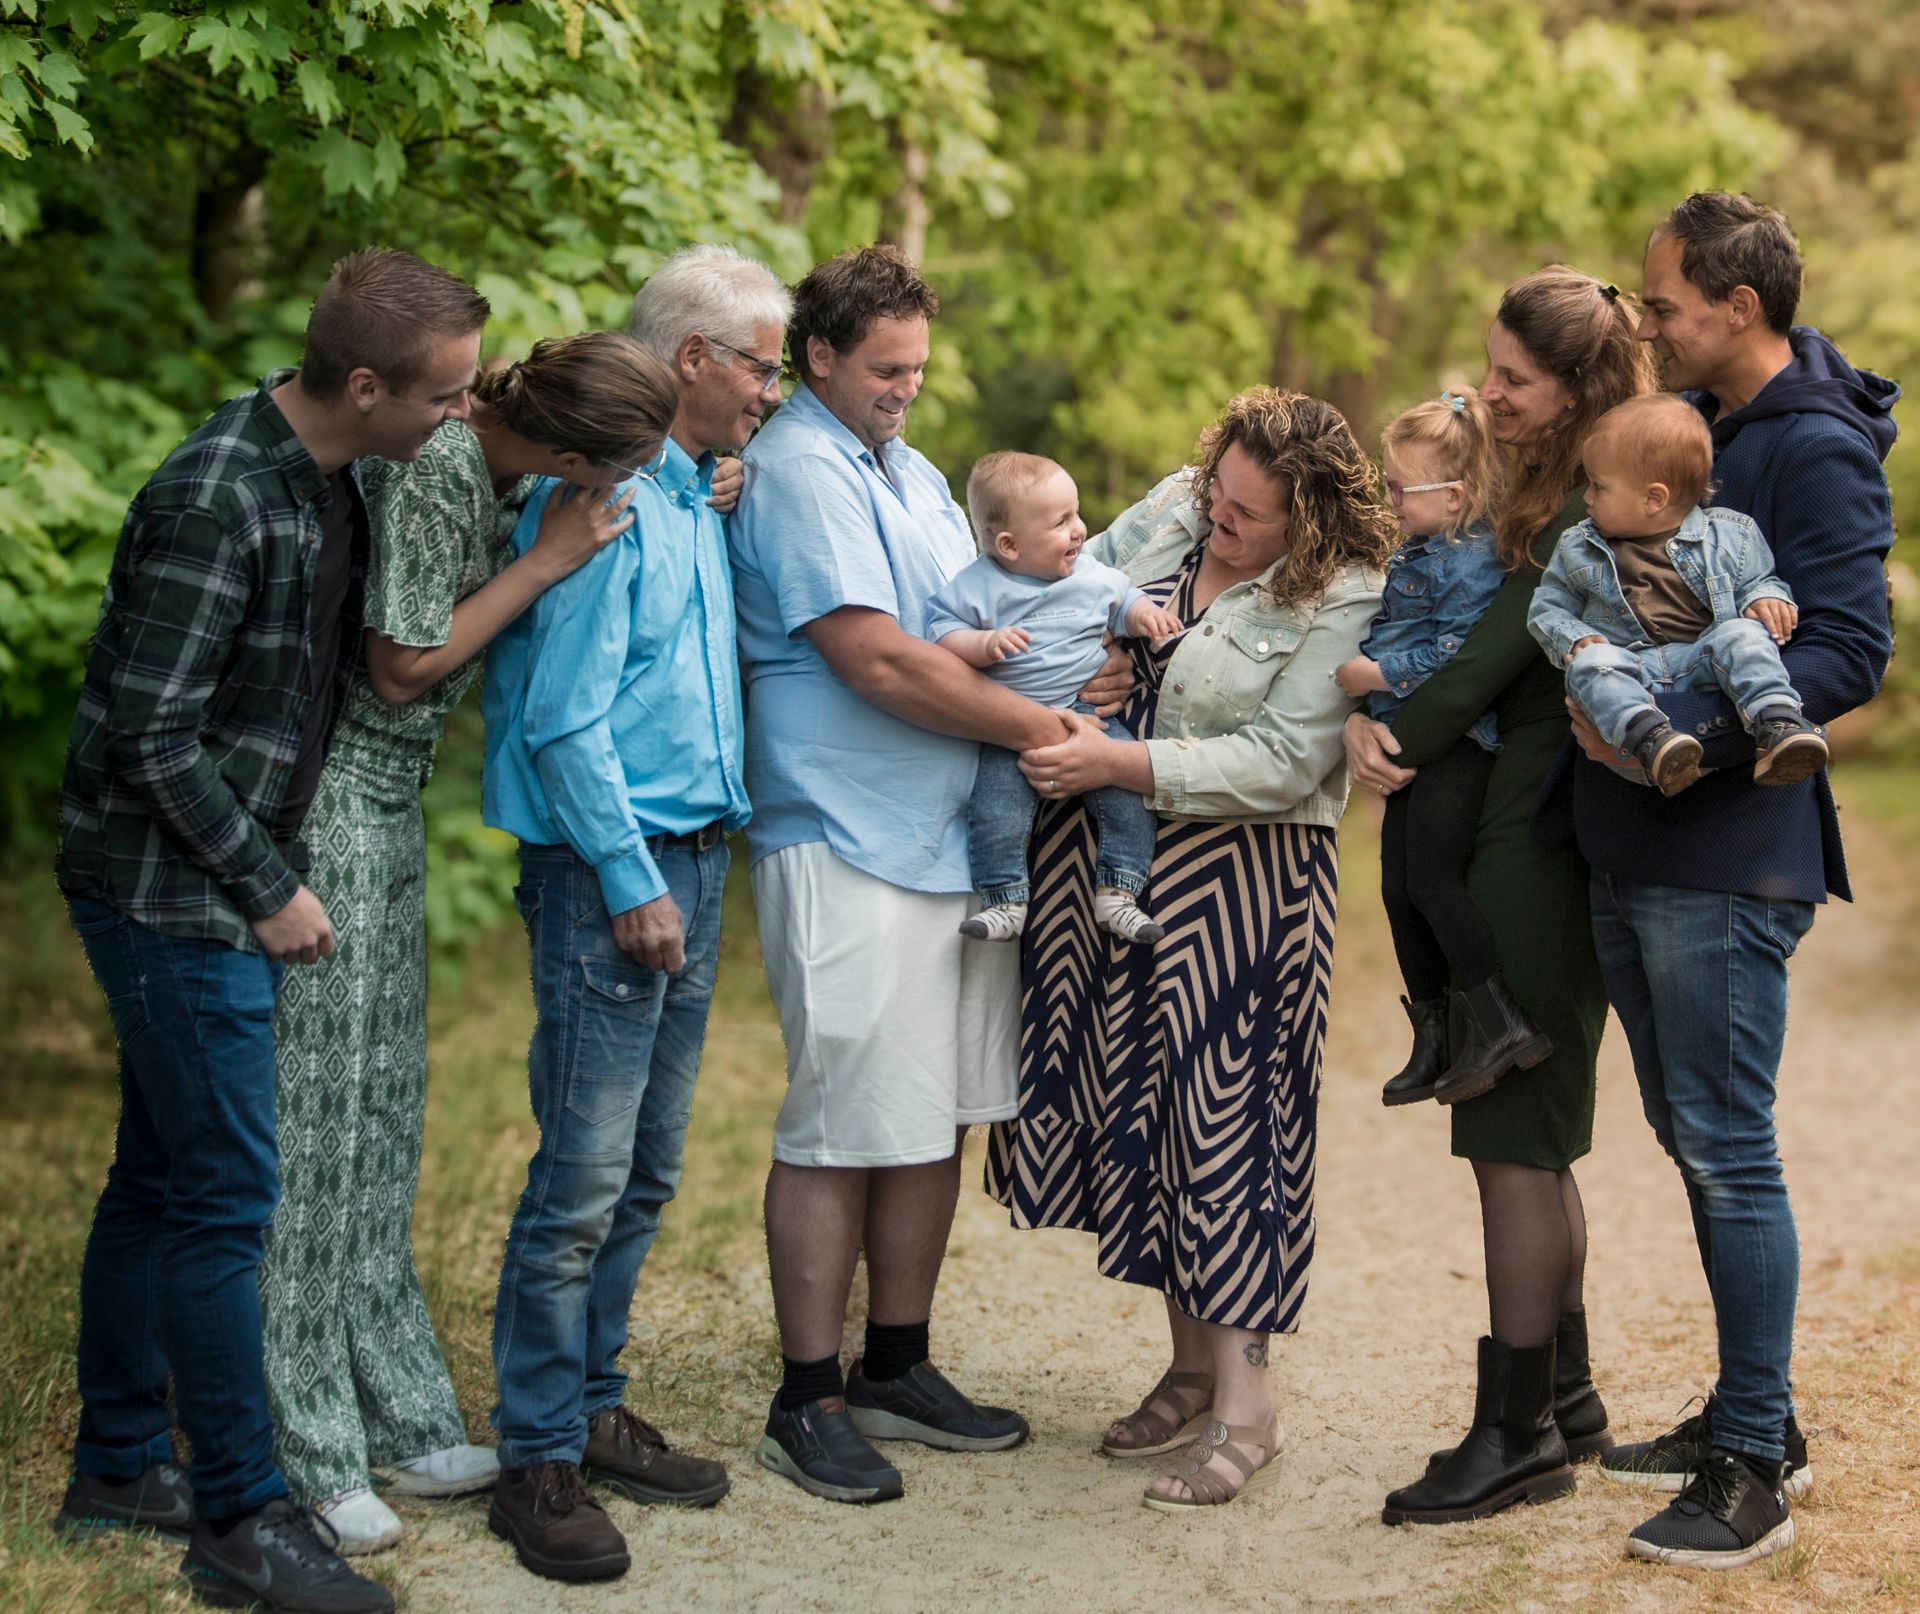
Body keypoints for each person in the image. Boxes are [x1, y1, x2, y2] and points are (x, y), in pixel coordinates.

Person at [53, 248, 491, 1614]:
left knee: (159, 1177)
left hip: (215, 874)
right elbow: (149, 734)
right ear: (363, 385)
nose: (456, 419)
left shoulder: (337, 473)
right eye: (444, 397)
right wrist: (269, 883)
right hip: (168, 890)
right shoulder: (216, 494)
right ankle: (243, 1512)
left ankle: (121, 1462)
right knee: (235, 1197)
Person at [259, 332, 682, 1555]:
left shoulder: (498, 464)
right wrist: (549, 560)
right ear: (563, 452)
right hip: (336, 795)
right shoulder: (444, 460)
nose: (625, 494)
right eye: (622, 470)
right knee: (322, 1125)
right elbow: (398, 669)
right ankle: (309, 1443)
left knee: (384, 1114)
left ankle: (393, 1400)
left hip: (390, 805)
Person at [730, 245, 1119, 1506]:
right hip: (842, 832)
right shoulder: (797, 469)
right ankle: (809, 1395)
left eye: (918, 369)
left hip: (947, 839)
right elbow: (878, 662)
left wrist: (1084, 682)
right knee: (842, 1120)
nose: (906, 388)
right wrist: (1050, 738)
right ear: (821, 356)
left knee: (931, 1112)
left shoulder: (906, 473)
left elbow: (994, 619)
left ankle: (897, 1362)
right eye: (885, 368)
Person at [987, 388, 1394, 1511]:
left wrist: (1124, 762)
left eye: (1250, 518)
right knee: (1143, 1114)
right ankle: (1187, 1368)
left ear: (1308, 523)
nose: (1221, 523)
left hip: (1246, 880)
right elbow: (1059, 590)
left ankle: (1249, 1411)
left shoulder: (1347, 589)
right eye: (1218, 497)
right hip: (1113, 868)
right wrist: (1093, 665)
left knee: (1230, 1127)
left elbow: (1282, 760)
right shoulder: (1177, 509)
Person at [1566, 193, 1895, 1569]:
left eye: (1664, 303)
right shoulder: (1693, 432)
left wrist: (1676, 714)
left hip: (1727, 852)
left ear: (1738, 309)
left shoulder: (1811, 449)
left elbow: (1850, 651)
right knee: (1696, 1137)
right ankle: (1755, 1412)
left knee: (1728, 1147)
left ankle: (1755, 1461)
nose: (1647, 324)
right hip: (1637, 839)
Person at [479, 244, 790, 1582]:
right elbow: (561, 720)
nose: (773, 389)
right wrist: (627, 878)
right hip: (621, 869)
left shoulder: (688, 495)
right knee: (581, 1177)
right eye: (763, 363)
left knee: (649, 1166)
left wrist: (720, 493)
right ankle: (536, 1456)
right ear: (690, 362)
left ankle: (596, 1409)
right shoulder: (601, 506)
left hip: (692, 860)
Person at [1347, 267, 1657, 1528]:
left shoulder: (1593, 504)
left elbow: (1487, 659)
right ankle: (1567, 1399)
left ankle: (1513, 1433)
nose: (1490, 390)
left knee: (1513, 1142)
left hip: (1537, 838)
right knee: (1530, 1133)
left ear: (1579, 389)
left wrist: (1386, 734)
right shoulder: (1541, 489)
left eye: (1514, 378)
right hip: (1526, 823)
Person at [1335, 388, 1550, 1109]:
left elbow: (1462, 654)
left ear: (1455, 495)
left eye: (1401, 487)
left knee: (1431, 878)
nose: (1389, 498)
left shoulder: (1474, 560)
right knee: (1397, 889)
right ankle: (1433, 1032)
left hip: (1459, 742)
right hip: (1409, 733)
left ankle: (1498, 1019)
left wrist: (1375, 674)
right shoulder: (1423, 547)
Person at [928, 451, 1184, 946]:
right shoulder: (979, 585)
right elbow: (942, 630)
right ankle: (1004, 900)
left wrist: (1144, 616)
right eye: (1061, 522)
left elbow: (1123, 599)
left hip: (1088, 714)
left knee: (1128, 795)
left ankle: (1119, 892)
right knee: (996, 810)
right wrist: (982, 644)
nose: (1079, 530)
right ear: (1009, 544)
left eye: (1077, 513)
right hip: (1010, 724)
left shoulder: (1087, 574)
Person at [1530, 392, 1824, 798]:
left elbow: (1760, 581)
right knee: (1591, 663)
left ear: (1654, 498)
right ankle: (1654, 742)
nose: (1587, 498)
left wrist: (1767, 598)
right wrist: (1574, 638)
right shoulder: (1578, 545)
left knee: (1743, 634)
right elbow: (1548, 607)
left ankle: (1778, 724)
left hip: (1702, 663)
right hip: (1630, 672)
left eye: (1599, 486)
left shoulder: (1732, 536)